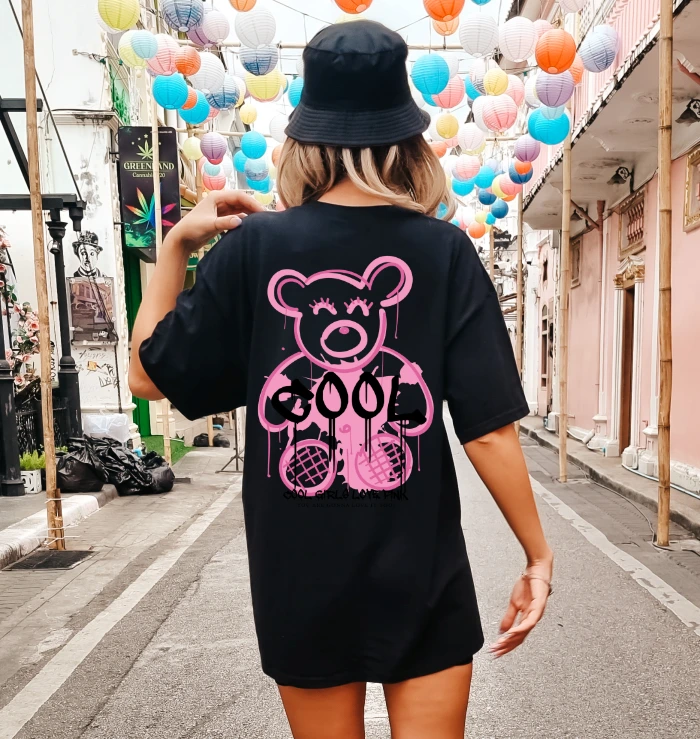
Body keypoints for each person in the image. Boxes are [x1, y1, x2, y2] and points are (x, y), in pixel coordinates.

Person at [129, 21, 553, 739]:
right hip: (422, 574)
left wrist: (176, 246)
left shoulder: (253, 250)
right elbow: (487, 430)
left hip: (299, 579)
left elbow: (147, 378)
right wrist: (536, 554)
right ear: (407, 139)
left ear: (305, 139)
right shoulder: (446, 253)